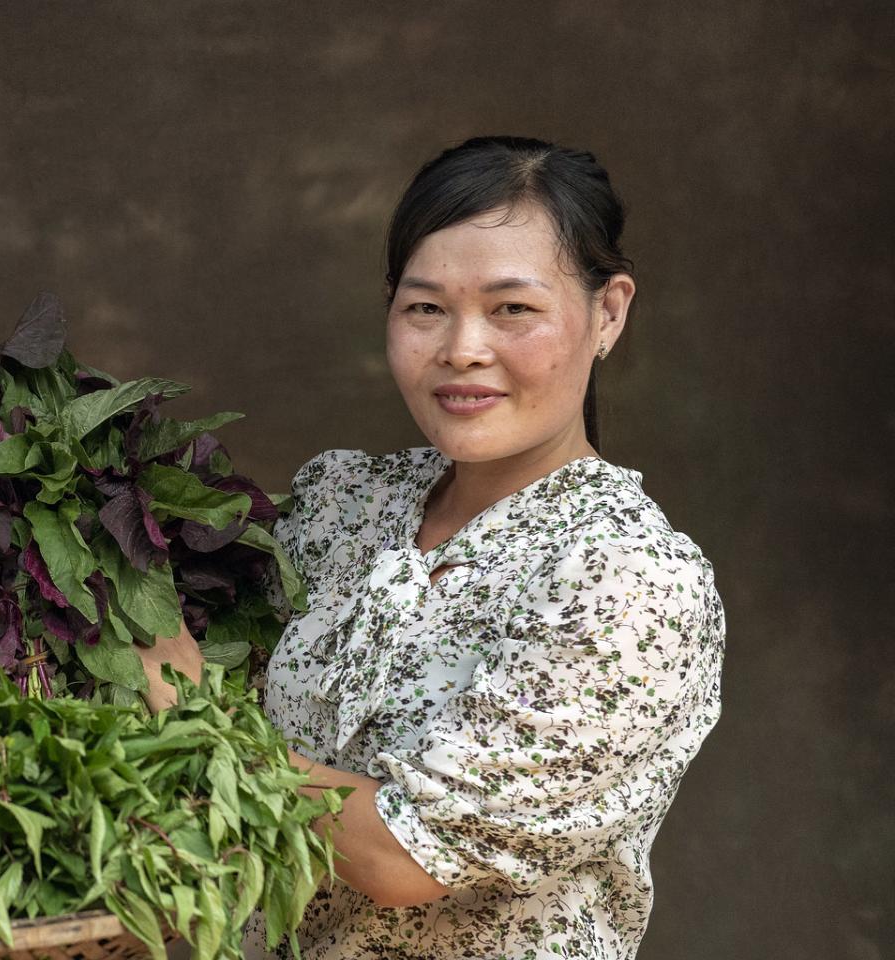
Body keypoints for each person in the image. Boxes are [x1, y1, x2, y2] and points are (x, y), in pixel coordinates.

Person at [163, 136, 721, 958]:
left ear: (608, 313)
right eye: (426, 308)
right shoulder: (343, 504)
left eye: (512, 309)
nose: (462, 349)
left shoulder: (626, 578)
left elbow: (404, 854)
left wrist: (184, 714)